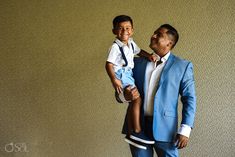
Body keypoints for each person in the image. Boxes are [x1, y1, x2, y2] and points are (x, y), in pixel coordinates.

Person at [121, 24, 197, 157]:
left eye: (159, 35)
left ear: (169, 43)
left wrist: (185, 129)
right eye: (154, 33)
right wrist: (124, 95)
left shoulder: (183, 66)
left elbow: (189, 99)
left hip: (166, 129)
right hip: (137, 126)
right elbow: (121, 87)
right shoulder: (135, 62)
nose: (153, 36)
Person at [105, 15, 156, 149]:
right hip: (122, 74)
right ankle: (137, 131)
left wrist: (149, 56)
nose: (124, 31)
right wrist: (114, 80)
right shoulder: (115, 47)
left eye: (127, 28)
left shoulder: (131, 43)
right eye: (120, 29)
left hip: (128, 73)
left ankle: (131, 131)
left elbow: (139, 52)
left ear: (132, 30)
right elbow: (108, 64)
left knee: (134, 101)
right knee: (136, 100)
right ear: (114, 31)